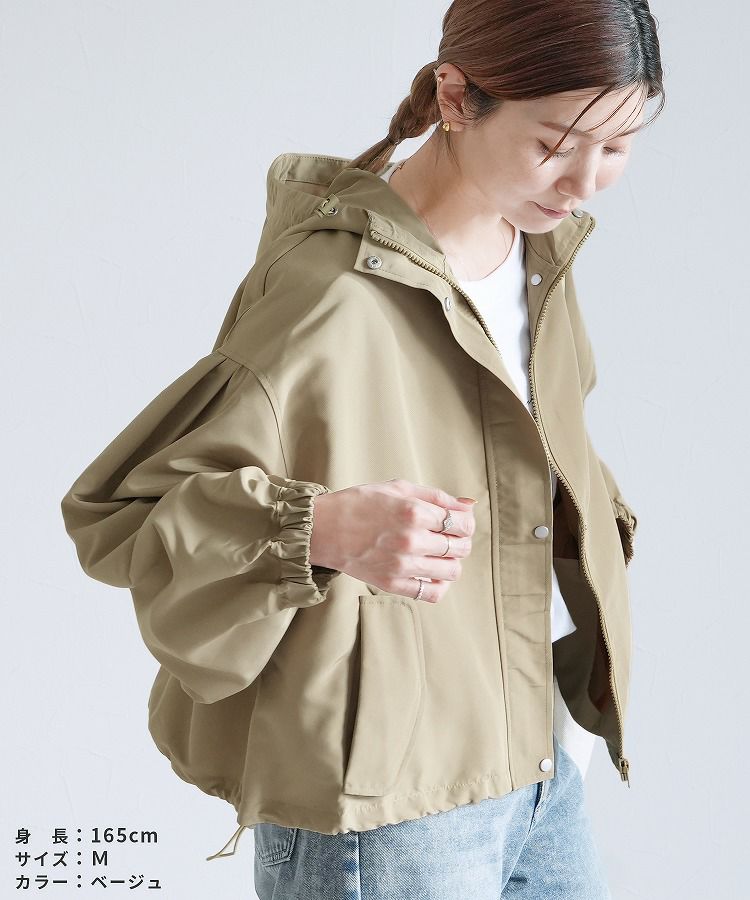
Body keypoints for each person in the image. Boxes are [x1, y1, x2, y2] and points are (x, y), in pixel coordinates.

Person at [60, 0, 665, 896]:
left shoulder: (537, 252)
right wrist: (321, 529)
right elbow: (121, 515)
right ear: (456, 98)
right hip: (386, 807)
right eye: (556, 143)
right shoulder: (329, 289)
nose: (584, 181)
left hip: (536, 755)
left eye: (615, 147)